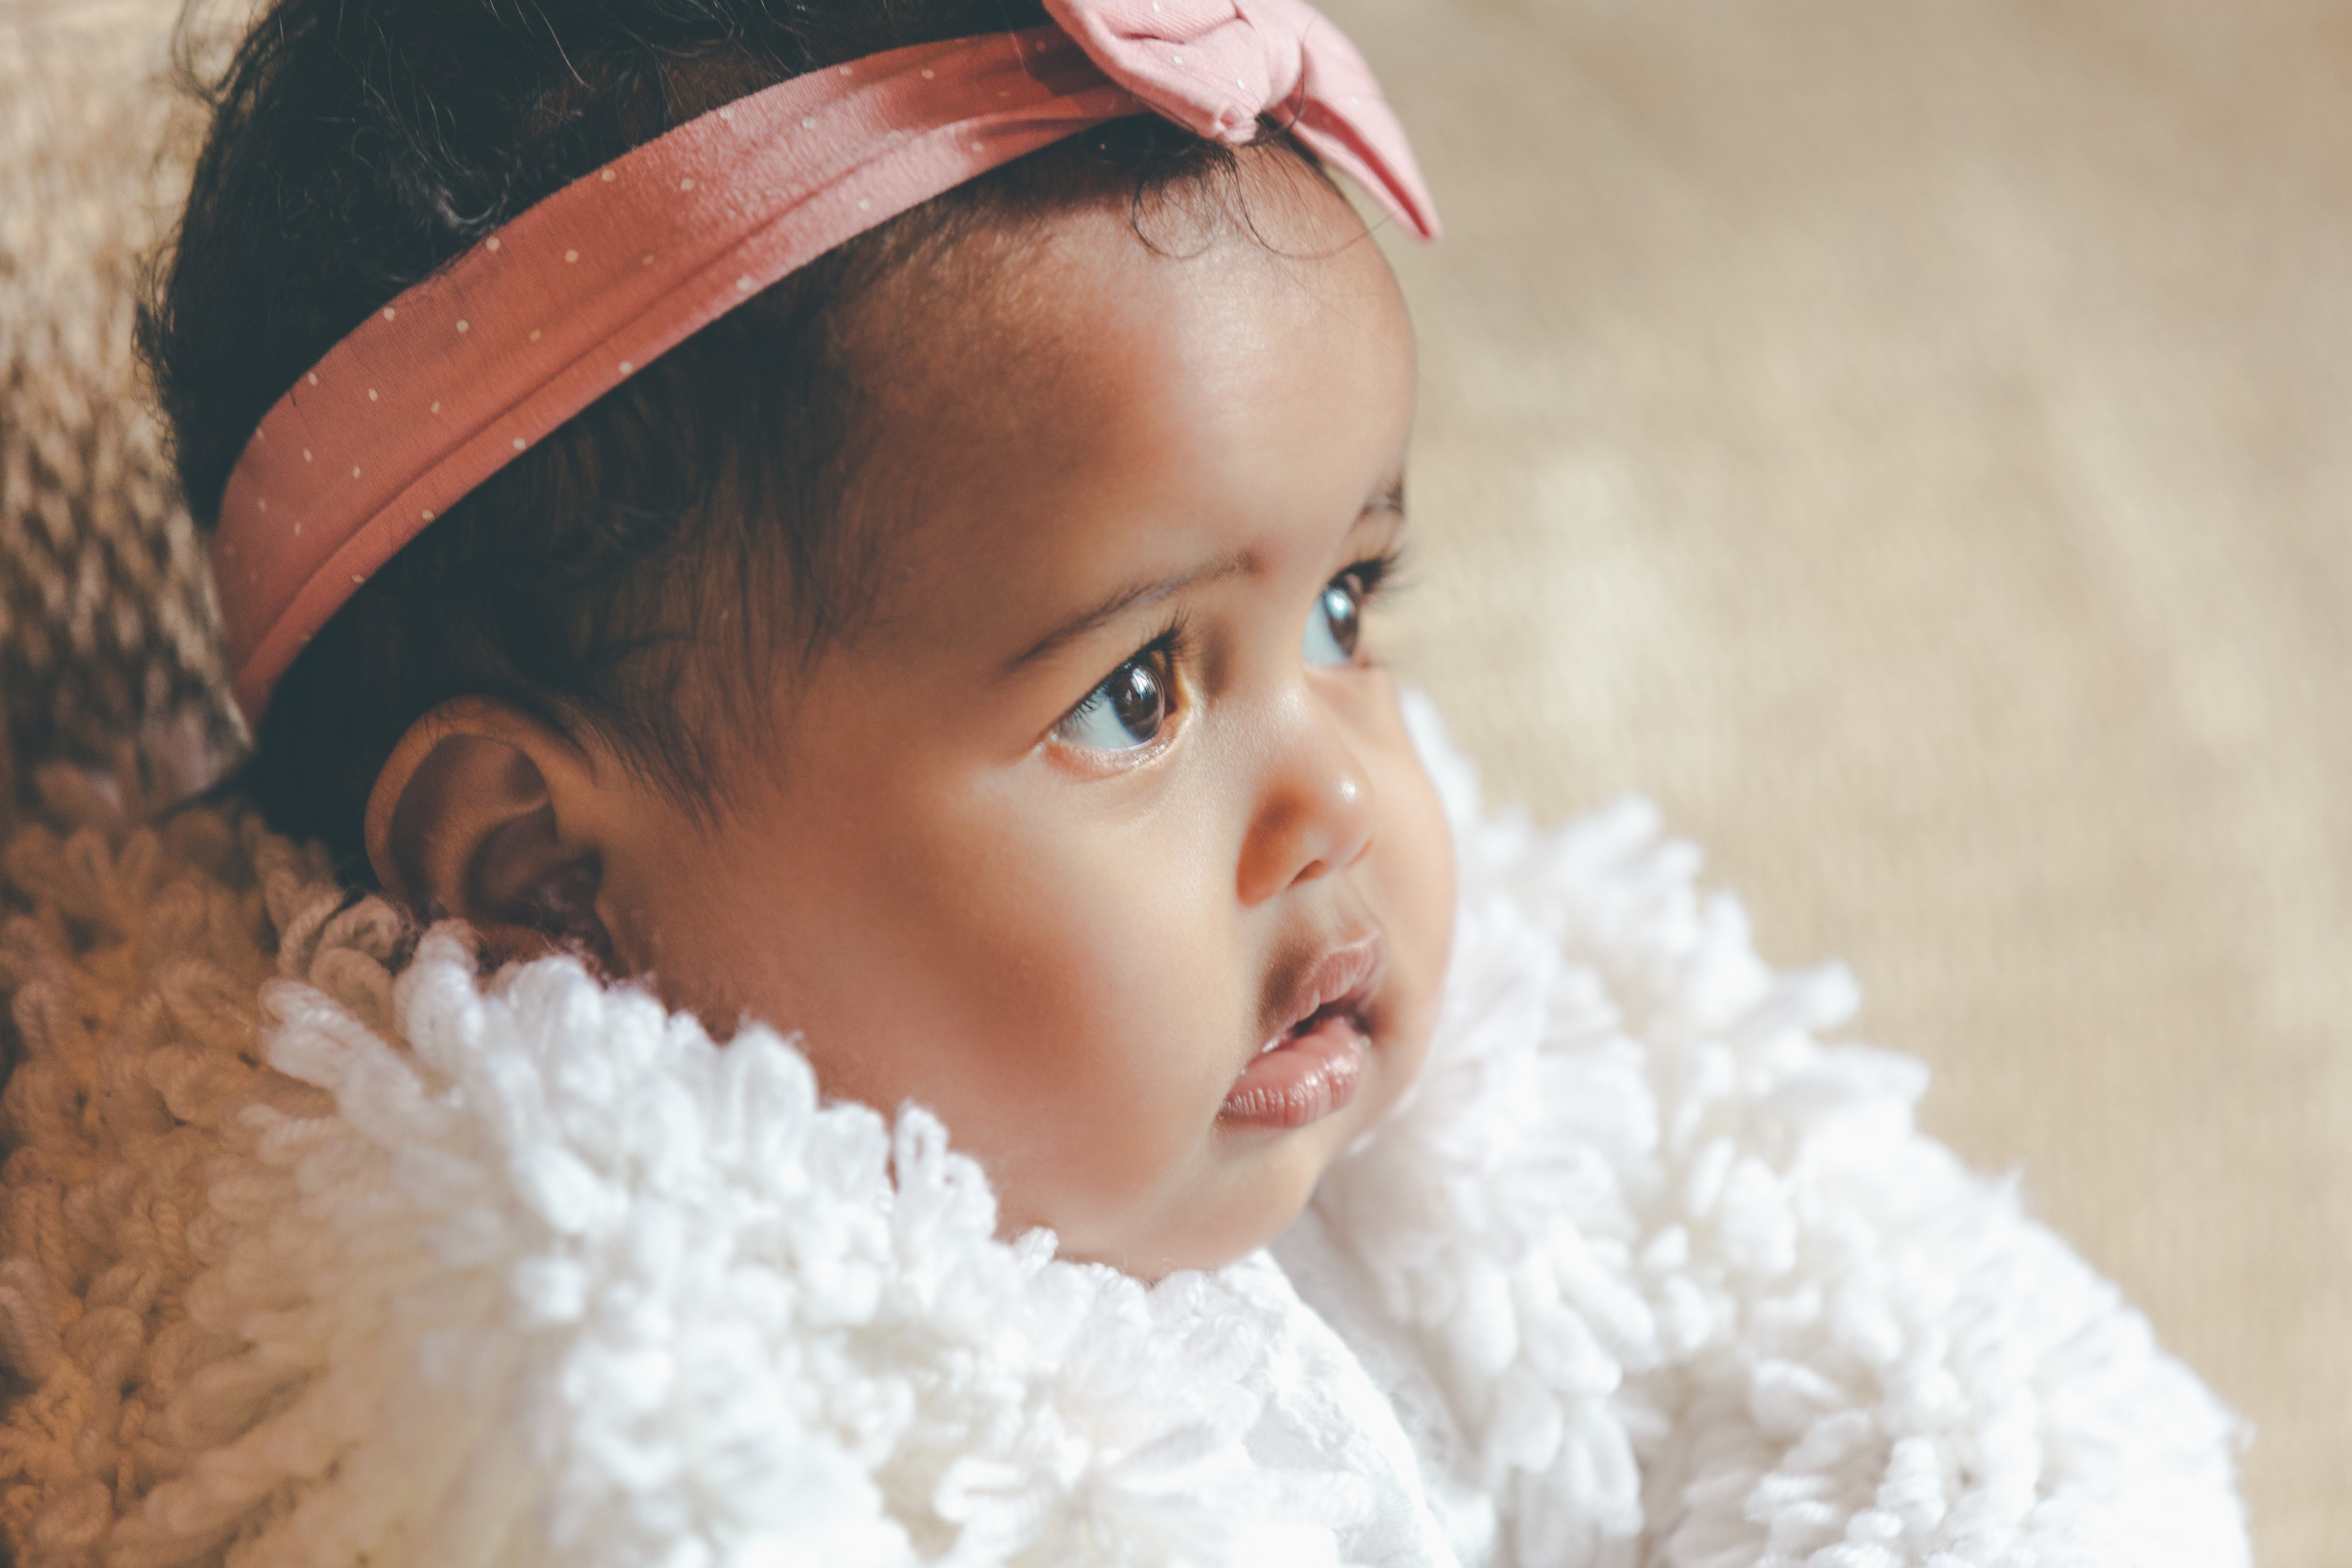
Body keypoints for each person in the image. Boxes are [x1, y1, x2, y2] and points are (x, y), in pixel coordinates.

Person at [0, 0, 2248, 1562]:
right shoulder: (559, 1347)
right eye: (1137, 693)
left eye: (1351, 609)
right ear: (545, 879)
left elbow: (1934, 1403)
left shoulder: (1500, 1091)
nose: (1341, 798)